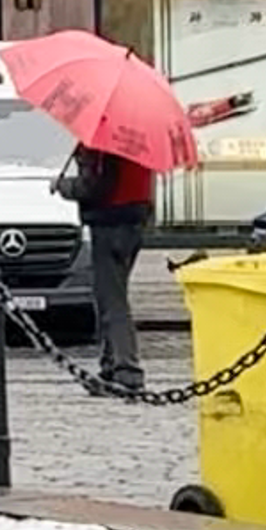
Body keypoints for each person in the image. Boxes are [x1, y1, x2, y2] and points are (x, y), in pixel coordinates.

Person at [66, 132, 160, 401]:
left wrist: (64, 186)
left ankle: (126, 370)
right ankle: (109, 367)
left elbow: (95, 186)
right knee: (111, 296)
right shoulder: (139, 136)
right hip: (134, 220)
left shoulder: (102, 139)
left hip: (109, 223)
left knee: (112, 300)